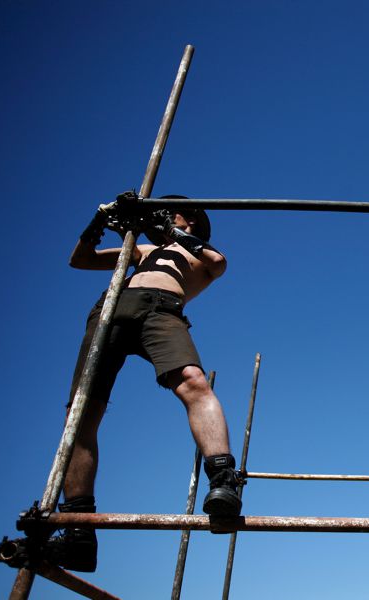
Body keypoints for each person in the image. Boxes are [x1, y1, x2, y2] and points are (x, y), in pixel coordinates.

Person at [44, 199, 242, 572]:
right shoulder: (141, 249)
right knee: (80, 412)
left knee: (193, 381)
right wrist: (98, 221)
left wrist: (171, 231)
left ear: (192, 220)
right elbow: (80, 259)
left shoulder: (199, 252)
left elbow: (218, 264)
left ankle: (224, 480)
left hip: (161, 308)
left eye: (171, 212)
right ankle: (78, 532)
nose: (160, 215)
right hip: (113, 308)